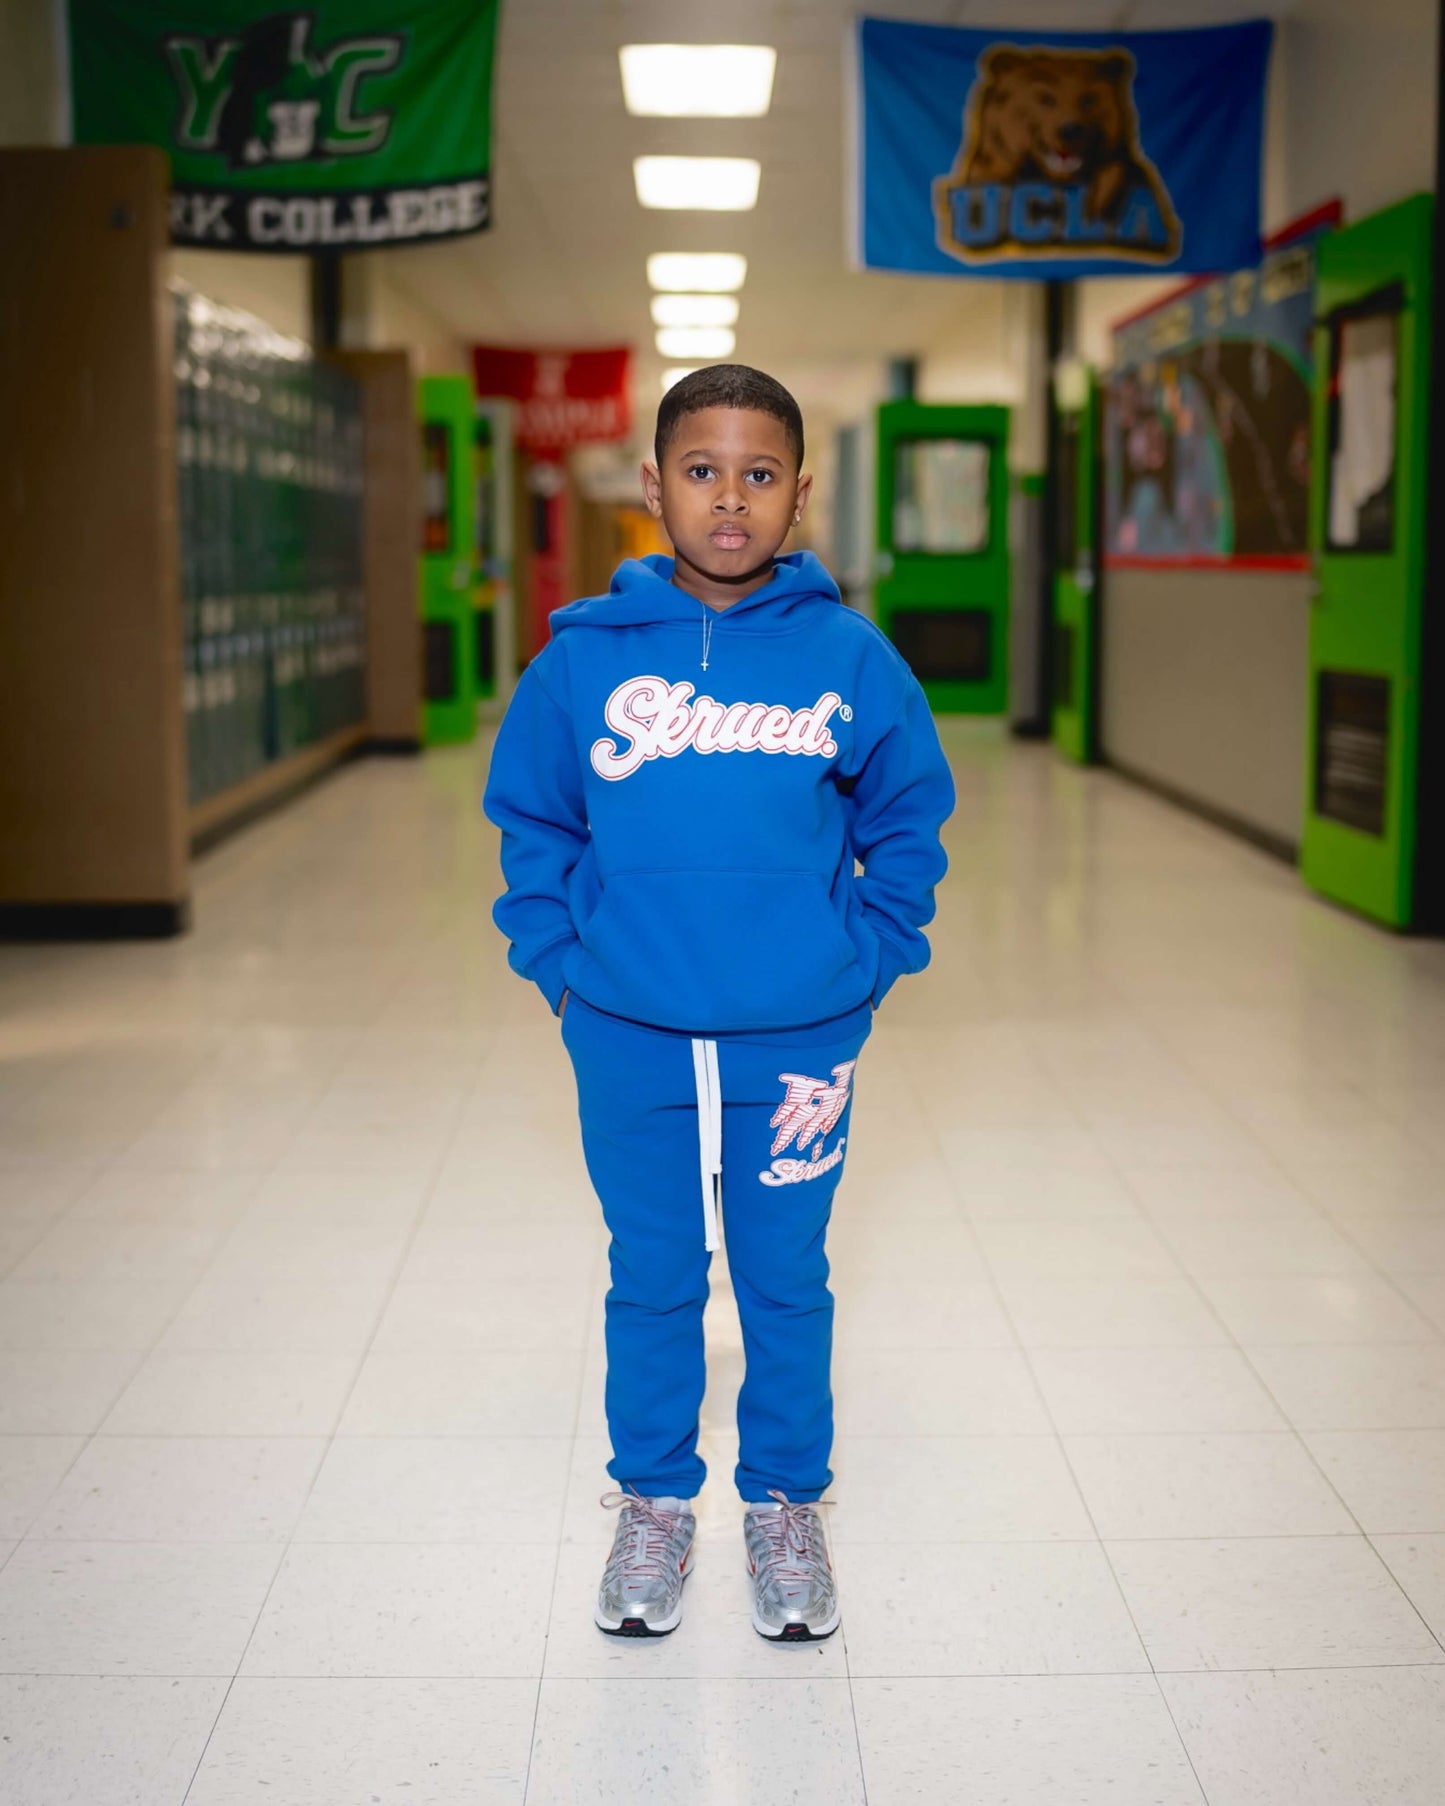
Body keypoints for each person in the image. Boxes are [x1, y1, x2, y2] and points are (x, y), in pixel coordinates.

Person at [483, 364, 954, 1642]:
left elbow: (908, 814)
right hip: (627, 1034)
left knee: (784, 1274)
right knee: (651, 1273)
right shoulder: (584, 659)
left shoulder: (848, 657)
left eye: (759, 475)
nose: (729, 501)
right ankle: (651, 1500)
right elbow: (530, 818)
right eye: (701, 472)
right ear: (653, 487)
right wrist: (562, 969)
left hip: (798, 1033)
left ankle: (786, 1504)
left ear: (800, 496)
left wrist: (867, 950)